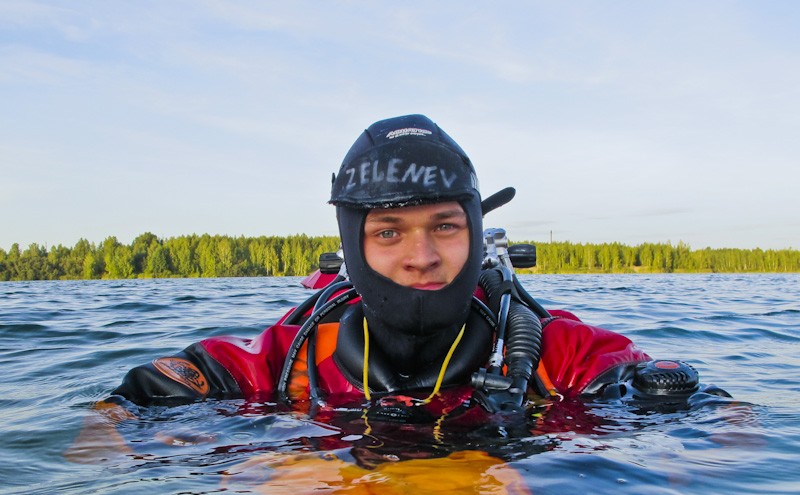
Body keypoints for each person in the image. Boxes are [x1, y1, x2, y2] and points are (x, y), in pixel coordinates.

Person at [79, 114, 724, 443]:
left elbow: (726, 431)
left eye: (444, 226)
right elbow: (116, 418)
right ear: (352, 248)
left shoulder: (558, 353)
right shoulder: (290, 357)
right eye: (387, 232)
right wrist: (259, 477)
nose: (421, 256)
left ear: (475, 233)